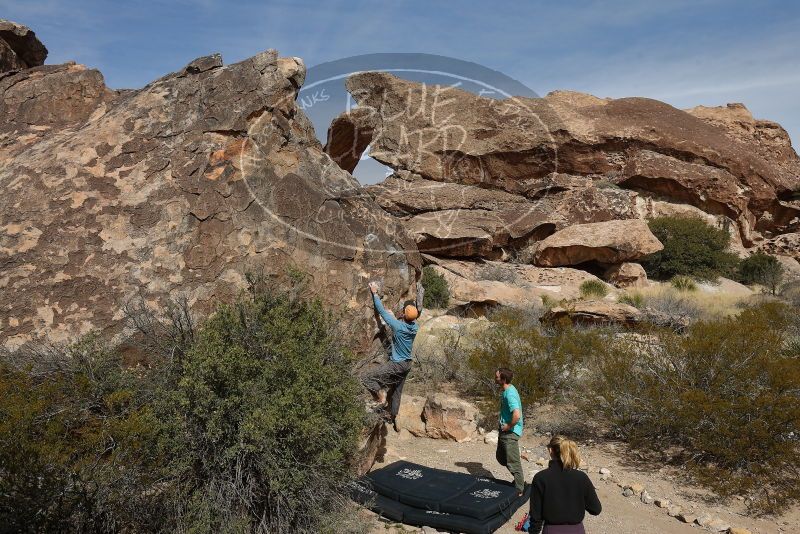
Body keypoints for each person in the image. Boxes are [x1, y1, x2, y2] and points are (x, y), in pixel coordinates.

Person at [361, 282, 420, 427]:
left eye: (403, 311)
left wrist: (374, 293)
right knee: (397, 391)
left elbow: (380, 311)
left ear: (404, 315)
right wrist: (395, 317)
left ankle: (380, 395)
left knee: (367, 377)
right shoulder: (414, 327)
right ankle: (391, 416)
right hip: (407, 365)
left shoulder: (398, 326)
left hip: (397, 364)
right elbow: (404, 320)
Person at [528, 435, 602, 534]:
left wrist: (533, 531)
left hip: (551, 530)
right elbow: (596, 509)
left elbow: (536, 515)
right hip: (577, 531)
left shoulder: (541, 478)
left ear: (550, 450)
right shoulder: (581, 477)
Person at [495, 367, 525, 495]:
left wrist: (508, 426)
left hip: (510, 432)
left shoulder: (510, 393)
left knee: (513, 462)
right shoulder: (507, 390)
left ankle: (519, 488)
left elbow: (516, 415)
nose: (495, 379)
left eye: (497, 377)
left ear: (503, 379)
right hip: (504, 431)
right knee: (501, 457)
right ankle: (519, 480)